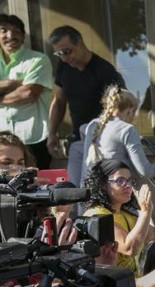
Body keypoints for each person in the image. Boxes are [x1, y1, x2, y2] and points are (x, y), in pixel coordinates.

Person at [47, 25, 124, 191]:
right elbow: (59, 101)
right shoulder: (63, 67)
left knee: (99, 190)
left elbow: (115, 109)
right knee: (74, 189)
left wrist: (101, 134)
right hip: (78, 140)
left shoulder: (104, 70)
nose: (64, 58)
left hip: (102, 141)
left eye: (67, 51)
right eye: (59, 54)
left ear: (80, 43)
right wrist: (52, 133)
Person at [83, 159, 155, 273]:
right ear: (103, 185)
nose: (128, 186)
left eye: (130, 181)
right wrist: (145, 212)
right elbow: (129, 248)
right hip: (110, 285)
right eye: (120, 181)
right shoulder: (96, 214)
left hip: (131, 283)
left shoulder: (126, 215)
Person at [80, 84, 155, 187]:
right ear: (130, 110)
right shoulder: (127, 130)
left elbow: (81, 129)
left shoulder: (92, 126)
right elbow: (144, 171)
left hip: (89, 192)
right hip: (115, 195)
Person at [0, 14, 53, 169]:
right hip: (2, 142)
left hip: (32, 139)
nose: (10, 36)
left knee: (36, 186)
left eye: (16, 31)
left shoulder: (38, 60)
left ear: (23, 36)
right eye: (4, 31)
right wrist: (13, 83)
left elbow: (28, 94)